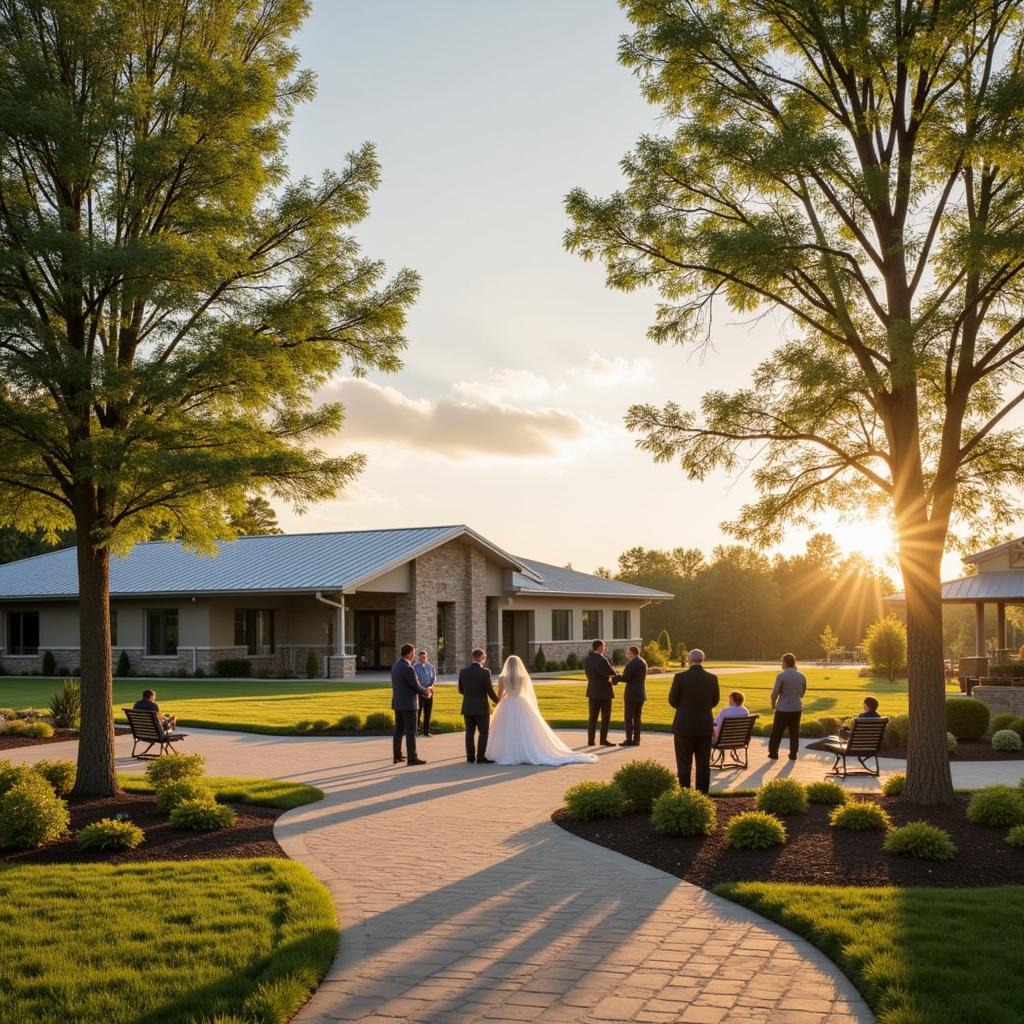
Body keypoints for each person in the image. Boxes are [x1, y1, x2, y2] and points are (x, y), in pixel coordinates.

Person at [487, 655, 598, 766]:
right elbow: (524, 692)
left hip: (507, 703)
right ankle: (525, 749)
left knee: (506, 728)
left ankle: (508, 750)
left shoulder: (502, 678)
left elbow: (500, 695)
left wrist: (500, 701)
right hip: (520, 702)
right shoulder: (522, 677)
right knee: (525, 728)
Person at [668, 648, 720, 794]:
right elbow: (715, 701)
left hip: (684, 725)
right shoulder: (712, 678)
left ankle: (685, 793)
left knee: (684, 762)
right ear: (702, 660)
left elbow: (672, 700)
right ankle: (702, 794)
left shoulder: (680, 677)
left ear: (689, 660)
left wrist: (684, 708)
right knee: (703, 764)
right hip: (704, 725)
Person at [391, 643, 433, 766]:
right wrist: (426, 692)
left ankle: (397, 756)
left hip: (398, 702)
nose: (414, 655)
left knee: (398, 730)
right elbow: (415, 685)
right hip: (409, 704)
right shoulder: (408, 668)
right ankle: (412, 757)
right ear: (409, 653)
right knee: (410, 731)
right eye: (414, 653)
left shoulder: (395, 666)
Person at [459, 648, 500, 763]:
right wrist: (498, 701)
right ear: (481, 657)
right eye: (484, 658)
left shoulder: (463, 671)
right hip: (481, 707)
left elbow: (461, 690)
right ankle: (480, 757)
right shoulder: (485, 672)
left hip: (467, 706)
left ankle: (470, 756)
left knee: (469, 733)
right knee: (483, 732)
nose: (484, 660)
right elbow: (489, 691)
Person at [768, 652, 806, 760]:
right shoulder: (802, 676)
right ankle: (793, 754)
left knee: (777, 732)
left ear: (785, 663)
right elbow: (802, 693)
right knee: (794, 732)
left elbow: (775, 693)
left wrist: (773, 703)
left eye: (782, 662)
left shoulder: (781, 675)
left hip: (783, 708)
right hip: (797, 707)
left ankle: (773, 753)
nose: (781, 664)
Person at [583, 639, 617, 746]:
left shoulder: (588, 659)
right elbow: (611, 672)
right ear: (600, 647)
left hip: (592, 691)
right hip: (604, 692)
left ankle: (591, 740)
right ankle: (603, 740)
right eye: (604, 646)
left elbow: (588, 675)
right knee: (605, 717)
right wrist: (615, 673)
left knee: (592, 717)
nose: (604, 648)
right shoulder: (603, 660)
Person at [614, 645, 647, 746]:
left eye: (628, 652)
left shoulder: (632, 663)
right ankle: (637, 739)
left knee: (628, 717)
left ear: (632, 653)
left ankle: (629, 739)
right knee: (637, 718)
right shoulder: (642, 662)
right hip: (640, 694)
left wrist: (616, 677)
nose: (626, 654)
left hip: (632, 695)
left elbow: (626, 678)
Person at [414, 649, 437, 737]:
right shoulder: (415, 667)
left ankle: (426, 731)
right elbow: (416, 680)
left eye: (424, 657)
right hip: (420, 692)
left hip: (429, 692)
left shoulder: (431, 667)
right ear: (418, 658)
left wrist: (430, 687)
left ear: (426, 657)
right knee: (418, 712)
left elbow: (433, 679)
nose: (423, 659)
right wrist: (423, 689)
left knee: (428, 712)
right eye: (421, 658)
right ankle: (417, 731)